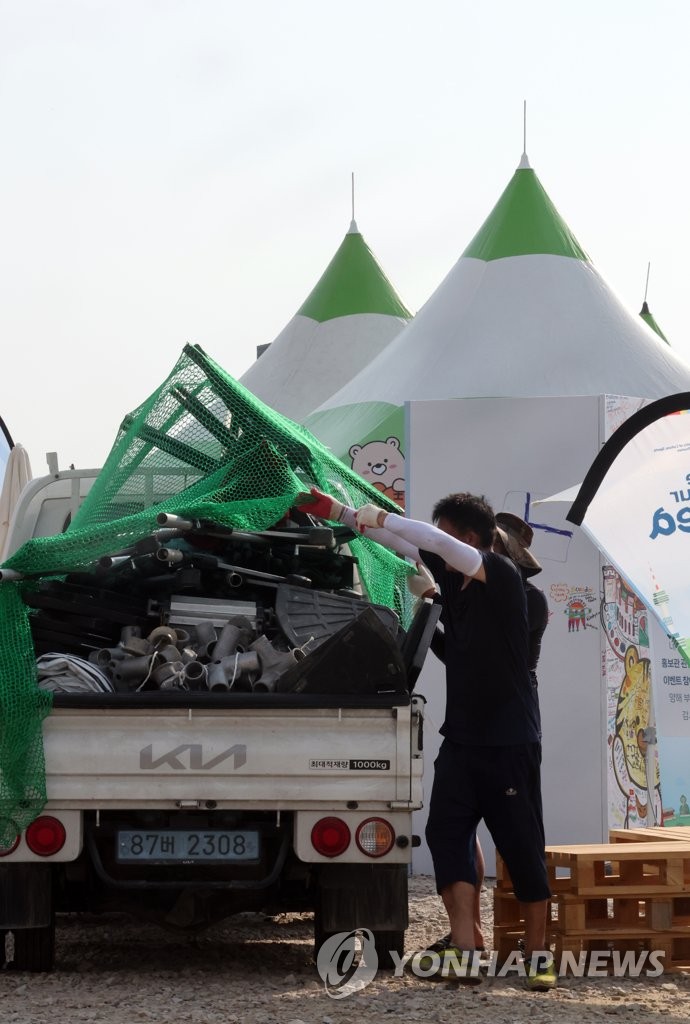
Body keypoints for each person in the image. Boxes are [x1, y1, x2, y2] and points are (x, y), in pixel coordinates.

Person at [297, 488, 556, 990]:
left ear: (473, 539)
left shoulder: (504, 582)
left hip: (508, 742)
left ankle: (539, 954)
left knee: (521, 847)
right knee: (445, 837)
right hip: (461, 740)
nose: (438, 549)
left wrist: (383, 514)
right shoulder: (453, 592)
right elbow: (407, 549)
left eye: (450, 536)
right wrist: (340, 514)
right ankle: (465, 948)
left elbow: (426, 540)